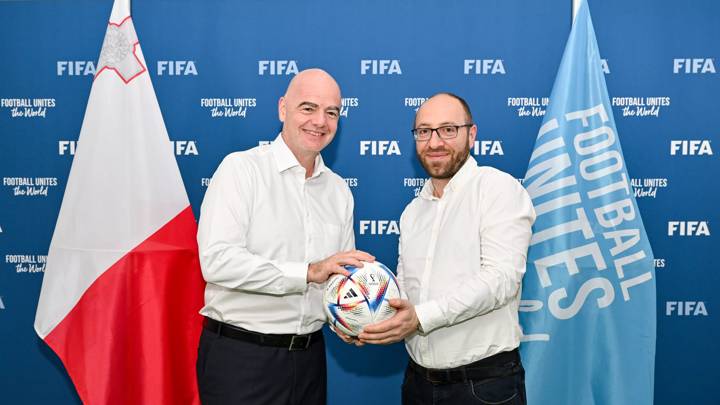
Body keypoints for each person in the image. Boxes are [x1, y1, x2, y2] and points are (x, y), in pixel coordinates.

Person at [196, 68, 373, 405]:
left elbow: (337, 282)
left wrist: (349, 320)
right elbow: (217, 262)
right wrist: (308, 271)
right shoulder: (241, 170)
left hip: (309, 361)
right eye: (308, 108)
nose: (320, 121)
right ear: (282, 109)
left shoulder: (338, 191)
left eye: (331, 112)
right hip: (242, 360)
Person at [358, 93, 536, 405]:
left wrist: (421, 318)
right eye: (424, 131)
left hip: (483, 386)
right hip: (418, 384)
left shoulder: (498, 189)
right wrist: (365, 321)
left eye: (448, 129)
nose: (435, 142)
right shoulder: (413, 212)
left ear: (472, 134)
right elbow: (406, 297)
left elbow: (501, 280)